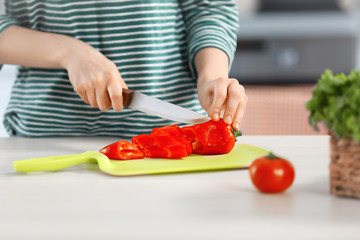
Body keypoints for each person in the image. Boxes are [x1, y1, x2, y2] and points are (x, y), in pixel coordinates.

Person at [0, 0, 247, 138]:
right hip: (44, 141)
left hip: (176, 142)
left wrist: (211, 75)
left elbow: (208, 7)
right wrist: (68, 52)